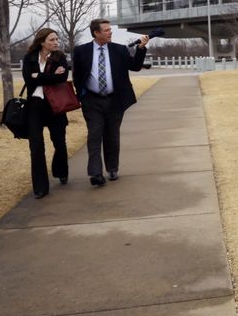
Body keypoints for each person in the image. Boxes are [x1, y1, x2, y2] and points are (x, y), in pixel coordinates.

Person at [72, 19, 149, 186]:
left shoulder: (119, 50)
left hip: (115, 100)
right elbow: (77, 76)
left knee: (112, 135)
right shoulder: (80, 51)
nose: (110, 32)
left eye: (110, 30)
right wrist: (81, 97)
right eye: (106, 30)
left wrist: (141, 49)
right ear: (96, 33)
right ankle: (95, 173)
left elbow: (135, 67)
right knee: (94, 134)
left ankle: (112, 168)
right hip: (91, 101)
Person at [21, 28, 70, 199]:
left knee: (60, 145)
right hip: (34, 106)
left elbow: (62, 79)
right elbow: (28, 79)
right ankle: (40, 187)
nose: (56, 42)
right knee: (36, 147)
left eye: (57, 39)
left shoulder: (60, 58)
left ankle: (61, 171)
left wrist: (39, 76)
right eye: (52, 39)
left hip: (55, 106)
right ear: (42, 42)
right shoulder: (30, 58)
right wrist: (49, 75)